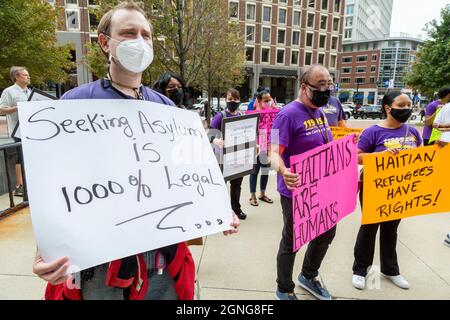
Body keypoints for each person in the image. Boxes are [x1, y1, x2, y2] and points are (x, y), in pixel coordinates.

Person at [32, 1, 239, 300]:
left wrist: (219, 210)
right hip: (101, 268)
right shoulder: (74, 105)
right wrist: (44, 250)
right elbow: (54, 186)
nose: (139, 41)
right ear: (105, 42)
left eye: (146, 34)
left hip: (163, 263)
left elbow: (191, 173)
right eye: (128, 33)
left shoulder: (166, 107)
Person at [270, 65, 336, 300]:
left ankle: (308, 276)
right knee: (293, 240)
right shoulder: (286, 115)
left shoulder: (319, 112)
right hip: (296, 192)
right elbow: (270, 153)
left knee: (327, 232)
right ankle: (284, 289)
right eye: (320, 84)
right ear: (304, 87)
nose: (325, 89)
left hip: (322, 189)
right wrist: (283, 170)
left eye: (328, 84)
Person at [351, 91, 422, 291]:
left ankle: (390, 270)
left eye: (409, 105)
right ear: (388, 108)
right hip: (374, 188)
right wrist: (379, 155)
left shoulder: (413, 132)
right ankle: (360, 270)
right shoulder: (372, 132)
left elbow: (422, 155)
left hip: (401, 189)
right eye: (402, 105)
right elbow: (356, 157)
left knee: (391, 230)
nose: (407, 109)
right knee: (369, 228)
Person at [209, 89, 247, 221]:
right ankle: (219, 210)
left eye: (235, 99)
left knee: (236, 185)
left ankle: (236, 209)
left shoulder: (242, 115)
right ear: (226, 100)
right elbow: (210, 133)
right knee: (221, 184)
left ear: (239, 100)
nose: (233, 102)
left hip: (238, 157)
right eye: (230, 99)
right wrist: (215, 140)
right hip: (222, 157)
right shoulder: (220, 116)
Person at [0, 66, 31, 196]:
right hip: (18, 130)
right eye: (25, 75)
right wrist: (19, 108)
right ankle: (19, 186)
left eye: (28, 75)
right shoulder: (9, 91)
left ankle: (28, 184)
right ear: (16, 77)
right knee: (21, 156)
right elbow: (1, 109)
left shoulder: (29, 91)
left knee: (28, 157)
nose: (28, 77)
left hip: (30, 129)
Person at [249, 90, 275, 207]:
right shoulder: (255, 114)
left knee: (265, 171)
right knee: (254, 171)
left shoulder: (274, 112)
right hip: (258, 147)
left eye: (270, 100)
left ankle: (262, 193)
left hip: (268, 147)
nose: (268, 102)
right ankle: (252, 195)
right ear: (259, 102)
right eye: (266, 101)